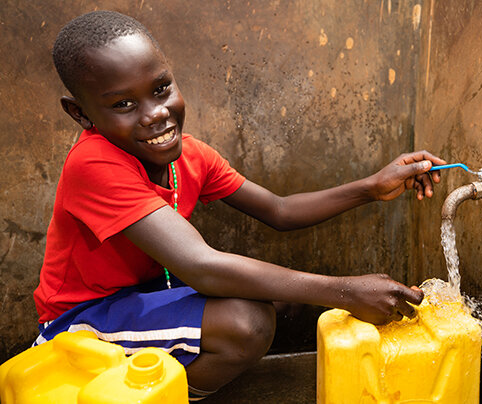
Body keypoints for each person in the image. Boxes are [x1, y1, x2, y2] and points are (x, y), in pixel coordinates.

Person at [33, 10, 446, 401]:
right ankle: (162, 397)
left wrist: (372, 187)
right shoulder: (93, 163)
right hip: (81, 321)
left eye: (161, 89)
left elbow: (279, 210)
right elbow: (202, 267)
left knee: (271, 292)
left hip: (146, 298)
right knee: (247, 324)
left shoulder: (191, 155)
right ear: (80, 113)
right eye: (123, 104)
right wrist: (344, 292)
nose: (155, 114)